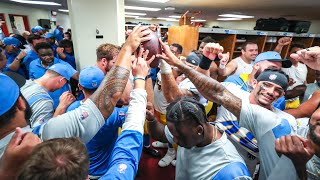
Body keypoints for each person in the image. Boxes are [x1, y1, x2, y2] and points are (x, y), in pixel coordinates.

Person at [0, 42, 152, 180]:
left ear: (79, 87)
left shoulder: (70, 110)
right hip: (102, 169)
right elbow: (132, 125)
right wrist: (141, 79)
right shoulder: (113, 113)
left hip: (80, 169)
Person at [156, 40, 301, 179]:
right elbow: (206, 89)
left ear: (282, 95)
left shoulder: (279, 122)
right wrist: (204, 61)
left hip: (235, 171)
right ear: (254, 82)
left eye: (278, 90)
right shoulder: (234, 91)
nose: (271, 92)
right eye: (267, 85)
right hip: (203, 153)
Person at [148, 96, 251, 179]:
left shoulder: (231, 171)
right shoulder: (187, 130)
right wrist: (151, 119)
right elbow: (160, 134)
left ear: (199, 130)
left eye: (178, 137)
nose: (174, 140)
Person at [21, 63, 75, 128]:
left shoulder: (26, 84)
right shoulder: (44, 102)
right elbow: (41, 133)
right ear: (62, 80)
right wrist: (61, 107)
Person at [29, 42, 78, 109]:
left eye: (50, 54)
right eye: (43, 55)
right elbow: (32, 80)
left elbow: (78, 77)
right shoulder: (33, 65)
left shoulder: (62, 65)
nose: (48, 57)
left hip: (62, 105)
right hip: (43, 105)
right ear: (38, 55)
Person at [282, 44, 308, 109]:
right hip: (283, 100)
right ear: (289, 53)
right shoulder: (282, 65)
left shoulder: (303, 66)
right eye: (294, 52)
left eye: (300, 53)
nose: (297, 55)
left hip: (297, 101)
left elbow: (304, 83)